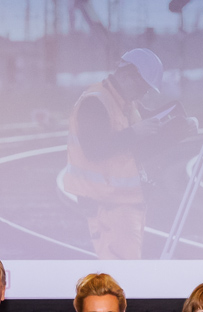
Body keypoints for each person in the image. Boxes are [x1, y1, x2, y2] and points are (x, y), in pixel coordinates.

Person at [65, 48, 170, 259]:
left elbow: (135, 145)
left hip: (121, 202)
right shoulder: (95, 102)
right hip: (105, 205)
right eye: (143, 87)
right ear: (129, 76)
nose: (144, 94)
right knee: (121, 272)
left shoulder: (126, 103)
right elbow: (94, 150)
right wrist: (134, 133)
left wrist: (177, 130)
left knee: (126, 267)